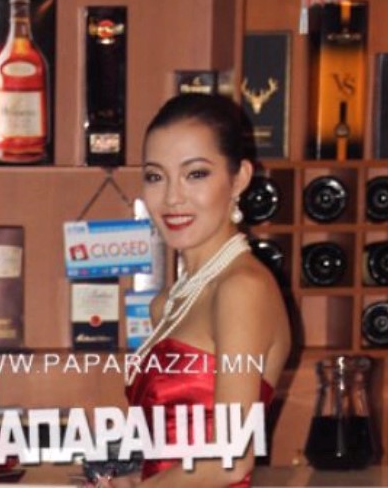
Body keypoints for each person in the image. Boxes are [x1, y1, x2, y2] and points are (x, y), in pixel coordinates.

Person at [99, 94, 291, 487]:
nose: (172, 198)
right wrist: (136, 479)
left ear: (239, 179)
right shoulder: (167, 304)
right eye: (156, 177)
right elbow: (175, 452)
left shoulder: (242, 289)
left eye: (196, 174)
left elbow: (231, 460)